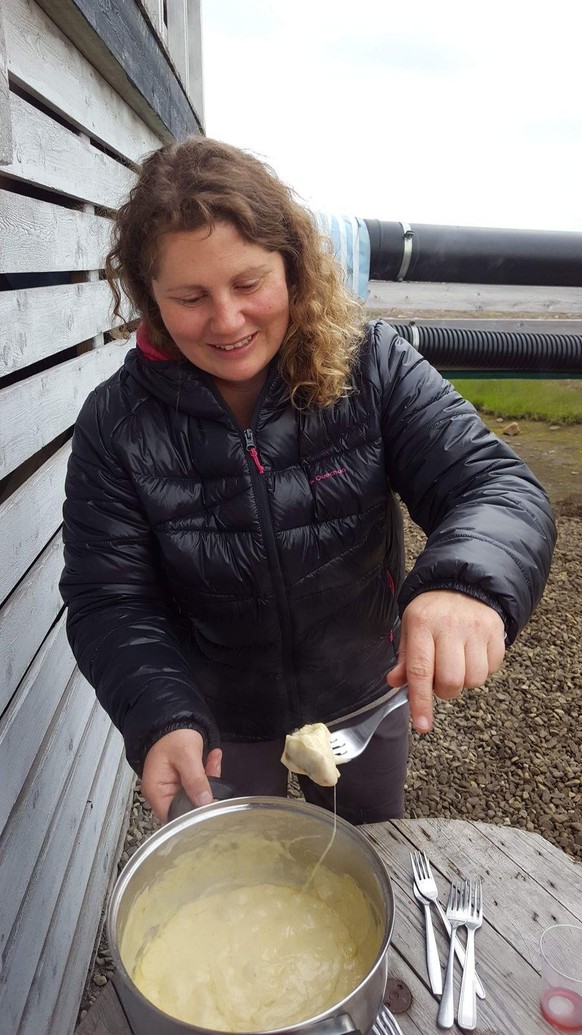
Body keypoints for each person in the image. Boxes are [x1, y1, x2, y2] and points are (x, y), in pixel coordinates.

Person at [60, 137, 556, 825]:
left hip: (364, 693)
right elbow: (107, 600)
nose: (228, 320)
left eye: (249, 283)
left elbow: (497, 486)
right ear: (150, 298)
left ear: (292, 267)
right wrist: (159, 711)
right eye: (191, 296)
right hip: (214, 725)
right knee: (237, 886)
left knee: (371, 851)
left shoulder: (371, 366)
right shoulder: (116, 425)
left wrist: (464, 581)